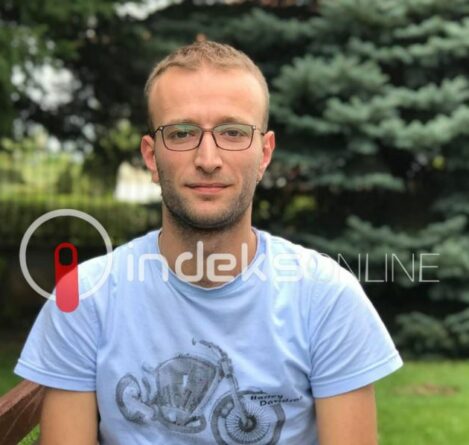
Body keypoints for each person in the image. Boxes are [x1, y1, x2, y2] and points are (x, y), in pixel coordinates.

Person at [15, 41, 403, 445]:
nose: (208, 159)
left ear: (264, 154)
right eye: (181, 133)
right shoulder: (84, 298)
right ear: (151, 156)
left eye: (233, 132)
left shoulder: (327, 297)